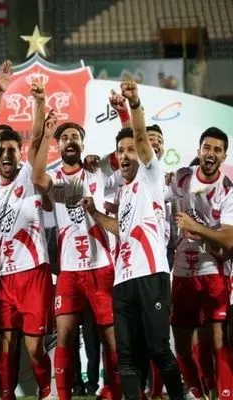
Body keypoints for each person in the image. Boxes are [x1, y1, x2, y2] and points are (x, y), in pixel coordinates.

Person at [80, 80, 185, 400]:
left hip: (151, 276)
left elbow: (139, 137)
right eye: (120, 151)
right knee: (126, 357)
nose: (125, 156)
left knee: (159, 349)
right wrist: (95, 214)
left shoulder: (151, 176)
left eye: (131, 150)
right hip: (123, 281)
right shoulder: (125, 192)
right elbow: (121, 229)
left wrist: (132, 106)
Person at [30, 83, 122, 400]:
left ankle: (113, 391)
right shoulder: (57, 182)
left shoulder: (98, 170)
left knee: (110, 337)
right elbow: (37, 177)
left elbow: (128, 152)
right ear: (59, 146)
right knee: (65, 335)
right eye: (65, 137)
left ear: (83, 143)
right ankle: (63, 395)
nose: (70, 140)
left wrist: (123, 111)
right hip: (69, 271)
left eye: (75, 136)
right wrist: (46, 133)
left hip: (101, 268)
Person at [0, 81, 56, 400]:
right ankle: (6, 395)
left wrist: (39, 102)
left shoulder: (27, 177)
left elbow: (37, 139)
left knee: (34, 348)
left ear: (19, 153)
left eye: (12, 149)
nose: (7, 154)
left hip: (34, 273)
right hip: (4, 278)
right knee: (5, 344)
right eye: (1, 149)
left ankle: (45, 391)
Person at [167, 127, 232, 400]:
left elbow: (229, 239)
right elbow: (153, 191)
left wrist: (196, 228)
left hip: (213, 269)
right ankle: (200, 394)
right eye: (207, 147)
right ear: (199, 151)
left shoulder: (227, 189)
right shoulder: (181, 177)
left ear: (224, 156)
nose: (211, 153)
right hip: (183, 271)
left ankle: (224, 395)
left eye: (217, 149)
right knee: (182, 346)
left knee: (218, 338)